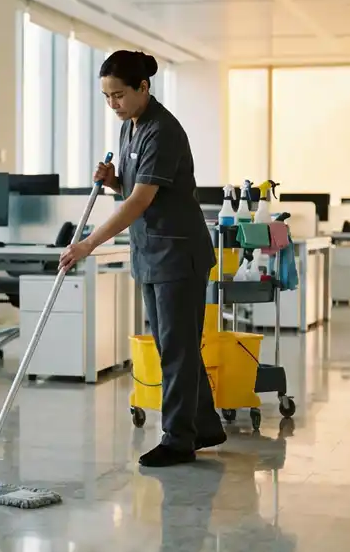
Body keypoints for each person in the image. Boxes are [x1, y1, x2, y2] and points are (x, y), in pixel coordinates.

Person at [59, 50, 227, 467]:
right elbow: (132, 189)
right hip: (151, 252)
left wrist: (88, 243)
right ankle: (203, 427)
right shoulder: (131, 127)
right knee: (178, 345)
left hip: (177, 254)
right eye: (106, 97)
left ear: (143, 87)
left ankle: (178, 439)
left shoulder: (162, 131)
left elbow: (140, 201)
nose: (112, 104)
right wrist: (114, 179)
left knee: (176, 349)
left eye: (118, 95)